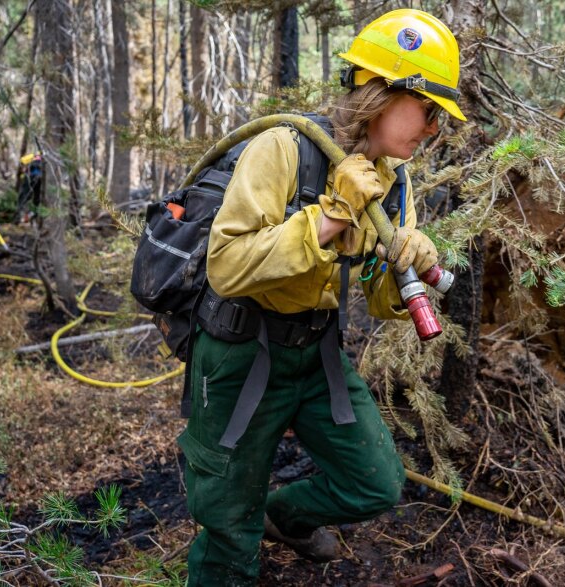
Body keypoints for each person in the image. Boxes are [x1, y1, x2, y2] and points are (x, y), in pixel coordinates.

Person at [179, 9, 467, 586]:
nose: (433, 128)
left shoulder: (393, 178)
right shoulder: (283, 148)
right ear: (381, 92)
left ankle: (281, 517)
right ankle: (232, 545)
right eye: (429, 110)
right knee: (228, 529)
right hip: (240, 351)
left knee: (375, 482)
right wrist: (331, 216)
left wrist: (408, 263)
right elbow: (228, 266)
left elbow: (383, 300)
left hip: (316, 354)